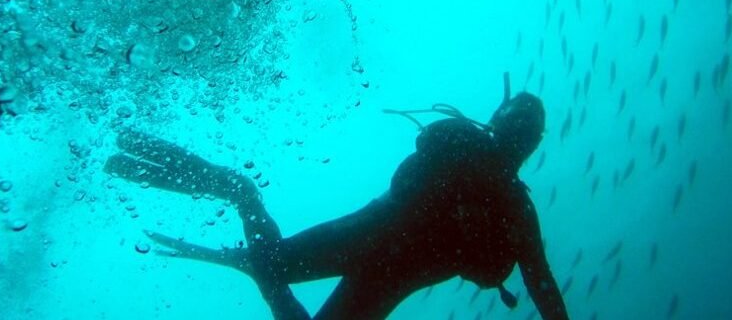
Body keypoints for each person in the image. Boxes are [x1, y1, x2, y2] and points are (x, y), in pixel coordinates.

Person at [105, 76, 569, 320]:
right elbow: (541, 285)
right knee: (271, 264)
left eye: (528, 129)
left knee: (270, 266)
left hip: (383, 273)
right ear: (502, 124)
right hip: (367, 240)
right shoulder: (477, 162)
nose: (521, 134)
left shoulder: (514, 206)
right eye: (519, 123)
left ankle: (247, 221)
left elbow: (542, 283)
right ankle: (239, 191)